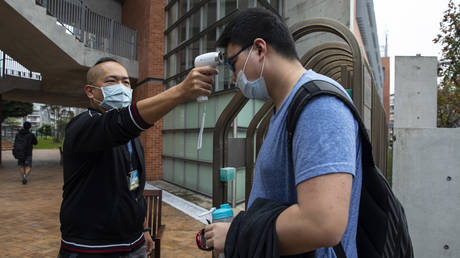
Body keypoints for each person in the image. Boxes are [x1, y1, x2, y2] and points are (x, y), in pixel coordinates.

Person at [204, 8, 362, 258]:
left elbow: (323, 224)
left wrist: (236, 235)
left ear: (259, 49)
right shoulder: (285, 107)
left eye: (233, 64)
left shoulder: (318, 106)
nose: (235, 78)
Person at [59, 57, 217, 257]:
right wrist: (180, 91)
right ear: (90, 91)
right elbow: (119, 123)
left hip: (134, 245)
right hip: (91, 248)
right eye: (111, 81)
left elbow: (133, 189)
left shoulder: (132, 139)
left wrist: (143, 231)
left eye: (126, 82)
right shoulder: (83, 127)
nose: (122, 87)